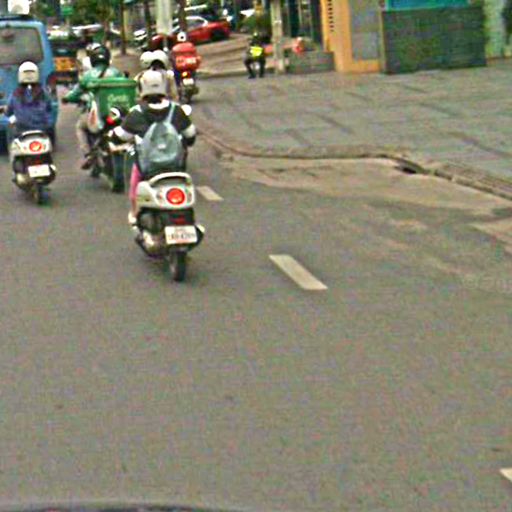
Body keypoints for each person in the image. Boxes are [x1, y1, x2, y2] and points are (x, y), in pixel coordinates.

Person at [111, 70, 196, 224]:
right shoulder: (176, 110)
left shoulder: (136, 113)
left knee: (134, 188)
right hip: (176, 166)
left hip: (148, 169)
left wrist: (113, 136)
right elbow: (190, 135)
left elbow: (121, 136)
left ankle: (135, 216)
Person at [62, 44, 123, 169]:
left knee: (80, 127)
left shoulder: (87, 76)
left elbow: (75, 93)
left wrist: (66, 98)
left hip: (96, 114)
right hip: (115, 112)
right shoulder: (116, 73)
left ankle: (88, 154)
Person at [6, 62, 53, 147]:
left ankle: (12, 152)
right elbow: (49, 109)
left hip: (21, 129)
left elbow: (9, 112)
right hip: (42, 128)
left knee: (10, 130)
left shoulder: (15, 94)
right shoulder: (44, 93)